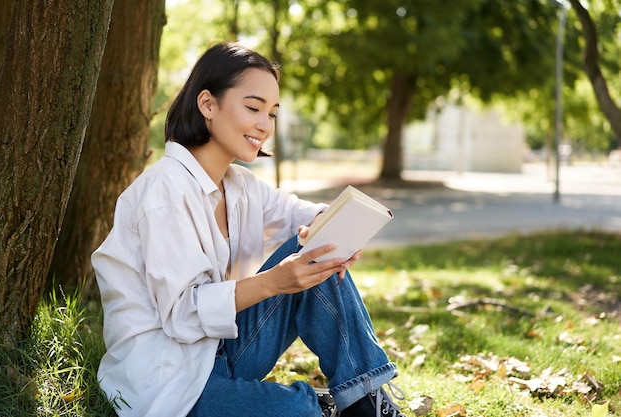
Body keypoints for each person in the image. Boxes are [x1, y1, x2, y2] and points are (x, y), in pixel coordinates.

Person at [92, 42, 408, 417]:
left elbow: (296, 214)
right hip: (168, 383)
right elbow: (182, 315)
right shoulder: (163, 191)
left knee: (317, 252)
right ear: (208, 104)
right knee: (297, 412)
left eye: (272, 113)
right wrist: (276, 281)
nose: (265, 125)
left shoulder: (238, 184)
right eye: (253, 108)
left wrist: (338, 226)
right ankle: (319, 407)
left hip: (224, 352)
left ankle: (365, 401)